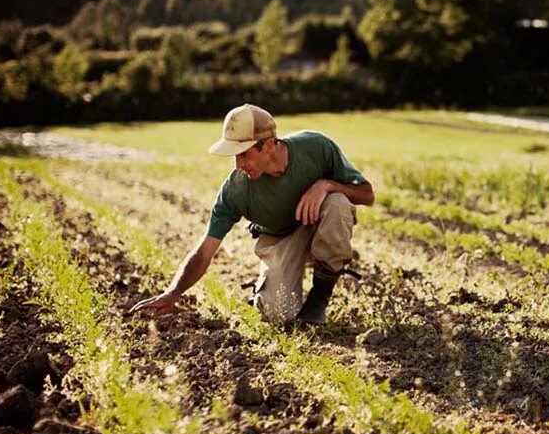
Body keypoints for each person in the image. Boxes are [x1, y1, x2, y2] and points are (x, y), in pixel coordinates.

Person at [129, 104, 374, 325]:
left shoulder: (316, 147)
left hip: (321, 223)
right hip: (280, 238)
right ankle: (264, 291)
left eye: (244, 154)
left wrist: (327, 185)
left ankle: (318, 299)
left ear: (268, 145)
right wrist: (173, 292)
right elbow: (205, 250)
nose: (238, 164)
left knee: (338, 202)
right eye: (234, 155)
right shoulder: (236, 189)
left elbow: (366, 195)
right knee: (278, 315)